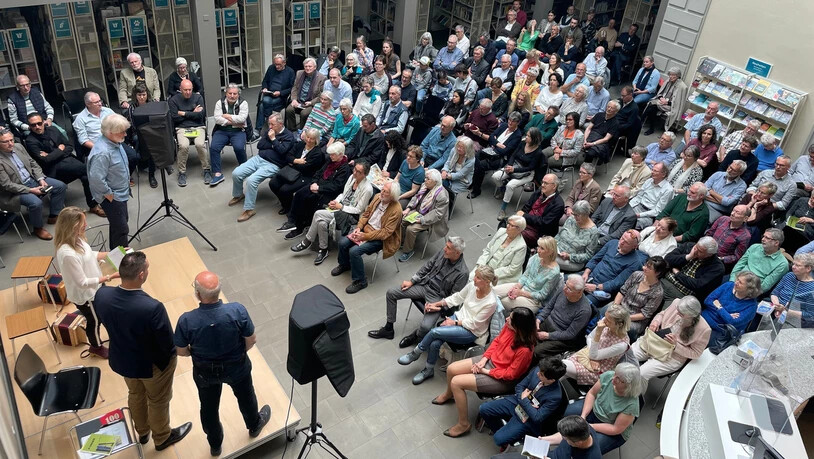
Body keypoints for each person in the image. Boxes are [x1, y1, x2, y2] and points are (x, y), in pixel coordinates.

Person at [94, 252, 192, 450]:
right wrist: (172, 358)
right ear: (141, 275)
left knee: (135, 394)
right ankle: (162, 437)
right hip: (152, 366)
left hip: (123, 359)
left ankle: (143, 431)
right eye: (147, 268)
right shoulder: (152, 307)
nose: (148, 271)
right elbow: (166, 342)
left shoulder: (102, 295)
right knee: (158, 400)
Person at [174, 271, 271, 456]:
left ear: (198, 294)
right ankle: (254, 425)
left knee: (209, 408)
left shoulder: (187, 320)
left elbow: (180, 350)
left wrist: (194, 354)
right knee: (246, 397)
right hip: (237, 367)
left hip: (204, 373)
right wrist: (239, 354)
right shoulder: (237, 310)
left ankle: (215, 444)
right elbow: (250, 339)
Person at [433, 306, 538, 438]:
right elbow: (496, 342)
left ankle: (463, 424)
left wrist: (485, 371)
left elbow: (511, 375)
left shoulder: (525, 350)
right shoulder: (509, 326)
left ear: (518, 327)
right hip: (490, 362)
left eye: (510, 319)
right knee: (452, 368)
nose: (506, 319)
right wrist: (484, 359)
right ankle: (449, 395)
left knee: (456, 382)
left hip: (501, 379)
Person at [397, 265, 498, 385]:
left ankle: (415, 353)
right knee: (435, 342)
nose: (474, 279)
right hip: (458, 319)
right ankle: (428, 370)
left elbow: (474, 324)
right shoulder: (472, 286)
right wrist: (437, 304)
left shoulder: (491, 302)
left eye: (478, 277)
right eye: (475, 275)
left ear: (487, 282)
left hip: (470, 331)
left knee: (435, 332)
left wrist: (453, 322)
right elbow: (457, 297)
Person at [368, 237, 468, 344]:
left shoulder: (462, 273)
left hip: (437, 298)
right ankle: (388, 329)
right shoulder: (443, 253)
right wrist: (412, 281)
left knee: (426, 327)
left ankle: (416, 335)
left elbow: (454, 298)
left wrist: (438, 307)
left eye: (448, 248)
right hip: (424, 285)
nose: (444, 249)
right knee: (391, 293)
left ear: (457, 253)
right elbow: (427, 266)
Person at [53, 207, 119, 358]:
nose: (86, 225)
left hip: (97, 287)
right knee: (95, 321)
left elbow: (91, 254)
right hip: (87, 296)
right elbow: (82, 283)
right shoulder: (67, 254)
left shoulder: (78, 239)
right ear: (72, 226)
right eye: (82, 223)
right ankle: (96, 347)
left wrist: (112, 254)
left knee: (102, 314)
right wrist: (110, 277)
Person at [543, 363, 642, 454]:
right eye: (615, 374)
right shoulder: (609, 376)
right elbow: (591, 394)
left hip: (611, 429)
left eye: (618, 378)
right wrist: (583, 415)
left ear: (628, 385)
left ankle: (560, 449)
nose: (613, 378)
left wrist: (590, 426)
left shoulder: (631, 404)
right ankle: (548, 441)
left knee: (584, 447)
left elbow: (615, 429)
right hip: (595, 410)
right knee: (566, 414)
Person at [291, 161, 373, 265]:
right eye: (355, 169)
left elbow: (359, 210)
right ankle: (323, 250)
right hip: (340, 208)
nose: (354, 172)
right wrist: (336, 201)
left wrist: (341, 206)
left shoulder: (367, 189)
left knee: (318, 214)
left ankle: (307, 241)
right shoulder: (352, 178)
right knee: (321, 223)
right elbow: (344, 194)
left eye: (358, 172)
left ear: (365, 174)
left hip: (351, 216)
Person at [24, 113, 104, 218]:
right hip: (53, 170)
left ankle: (93, 205)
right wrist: (60, 149)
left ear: (43, 122)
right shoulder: (30, 141)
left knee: (86, 176)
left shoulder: (53, 129)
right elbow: (46, 161)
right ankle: (100, 199)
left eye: (39, 123)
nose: (37, 127)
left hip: (67, 161)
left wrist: (53, 154)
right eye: (33, 125)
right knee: (87, 170)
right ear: (29, 126)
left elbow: (69, 146)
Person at [478, 358, 567, 450]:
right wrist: (525, 401)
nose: (537, 374)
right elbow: (520, 386)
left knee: (498, 439)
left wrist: (524, 400)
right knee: (484, 409)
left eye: (541, 375)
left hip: (527, 417)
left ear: (551, 380)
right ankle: (501, 430)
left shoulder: (555, 396)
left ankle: (506, 435)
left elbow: (537, 417)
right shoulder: (539, 370)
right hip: (517, 402)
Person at [332, 181, 402, 294]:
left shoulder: (396, 210)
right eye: (382, 189)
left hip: (381, 239)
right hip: (366, 230)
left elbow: (385, 233)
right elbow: (366, 213)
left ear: (392, 196)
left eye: (385, 192)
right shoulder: (377, 197)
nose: (381, 193)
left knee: (354, 251)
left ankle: (361, 281)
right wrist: (359, 227)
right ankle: (345, 265)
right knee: (343, 242)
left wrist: (364, 236)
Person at [229, 113, 296, 222]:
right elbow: (260, 145)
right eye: (269, 124)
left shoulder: (288, 136)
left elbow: (282, 152)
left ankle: (249, 210)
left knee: (251, 181)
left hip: (274, 164)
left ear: (280, 124)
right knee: (236, 173)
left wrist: (273, 139)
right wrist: (275, 145)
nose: (269, 127)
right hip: (259, 158)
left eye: (272, 124)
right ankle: (238, 195)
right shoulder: (269, 131)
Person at [632, 296, 710, 388]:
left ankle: (633, 397)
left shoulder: (704, 329)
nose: (677, 313)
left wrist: (676, 346)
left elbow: (696, 353)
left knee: (641, 374)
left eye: (681, 313)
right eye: (678, 309)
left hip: (673, 357)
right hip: (655, 342)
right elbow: (662, 314)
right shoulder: (677, 302)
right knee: (626, 353)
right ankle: (617, 382)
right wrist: (656, 322)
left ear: (691, 315)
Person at [276, 142, 350, 239]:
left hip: (327, 192)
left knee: (308, 200)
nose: (330, 156)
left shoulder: (345, 169)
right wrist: (314, 182)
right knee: (299, 194)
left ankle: (299, 227)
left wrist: (319, 188)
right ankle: (292, 221)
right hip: (317, 185)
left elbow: (336, 186)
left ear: (340, 155)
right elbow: (319, 172)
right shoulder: (330, 161)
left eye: (333, 154)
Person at [86, 115, 131, 248]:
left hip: (121, 193)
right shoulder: (102, 152)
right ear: (110, 132)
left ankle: (115, 254)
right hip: (113, 197)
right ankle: (122, 262)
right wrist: (109, 195)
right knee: (122, 229)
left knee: (118, 225)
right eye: (122, 131)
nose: (125, 134)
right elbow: (96, 179)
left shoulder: (115, 141)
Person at [564, 304, 630, 386]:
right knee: (558, 372)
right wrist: (593, 357)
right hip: (587, 355)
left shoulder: (622, 345)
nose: (604, 320)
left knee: (562, 366)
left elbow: (593, 353)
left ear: (619, 324)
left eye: (608, 320)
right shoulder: (606, 321)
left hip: (597, 370)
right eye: (605, 317)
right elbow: (589, 338)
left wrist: (598, 333)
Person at [267, 128, 326, 216]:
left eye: (312, 138)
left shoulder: (317, 153)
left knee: (284, 190)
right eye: (308, 137)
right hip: (291, 171)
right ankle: (286, 203)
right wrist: (296, 161)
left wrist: (292, 162)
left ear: (316, 140)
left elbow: (306, 168)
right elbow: (288, 156)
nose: (309, 140)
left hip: (305, 176)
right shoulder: (301, 144)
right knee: (273, 183)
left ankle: (289, 207)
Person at [494, 236, 561, 314]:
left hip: (533, 300)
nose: (538, 250)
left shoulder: (554, 272)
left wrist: (520, 293)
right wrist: (517, 286)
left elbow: (542, 295)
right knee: (493, 292)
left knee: (501, 301)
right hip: (522, 287)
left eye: (542, 248)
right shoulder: (537, 257)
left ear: (550, 251)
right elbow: (526, 275)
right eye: (538, 246)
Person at [533, 274, 593, 359]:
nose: (565, 288)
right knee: (526, 337)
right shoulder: (563, 289)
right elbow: (549, 307)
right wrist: (539, 319)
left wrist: (548, 335)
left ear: (579, 292)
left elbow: (570, 334)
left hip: (561, 335)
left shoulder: (584, 310)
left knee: (536, 351)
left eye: (569, 289)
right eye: (565, 284)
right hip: (548, 321)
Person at [582, 230, 645, 307]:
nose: (622, 242)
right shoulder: (612, 243)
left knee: (584, 304)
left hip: (603, 290)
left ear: (634, 247)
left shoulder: (635, 263)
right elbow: (595, 259)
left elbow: (616, 283)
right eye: (622, 238)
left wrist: (596, 287)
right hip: (590, 276)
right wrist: (586, 273)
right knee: (566, 284)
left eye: (626, 242)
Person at [493, 127, 544, 220]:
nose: (526, 137)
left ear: (534, 138)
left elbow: (530, 167)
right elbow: (513, 155)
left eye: (528, 136)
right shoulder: (523, 143)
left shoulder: (538, 152)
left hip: (526, 173)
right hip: (515, 166)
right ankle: (502, 189)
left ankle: (503, 209)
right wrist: (510, 165)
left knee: (510, 185)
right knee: (495, 176)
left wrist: (513, 170)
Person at [399, 169, 449, 262]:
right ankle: (401, 241)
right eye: (425, 177)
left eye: (428, 178)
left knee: (411, 229)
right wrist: (408, 208)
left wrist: (422, 220)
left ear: (435, 182)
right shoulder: (424, 186)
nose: (425, 180)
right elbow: (416, 197)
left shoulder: (442, 195)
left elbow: (438, 214)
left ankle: (408, 251)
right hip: (417, 211)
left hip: (430, 218)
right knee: (401, 219)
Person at [662, 237, 725, 306]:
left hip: (681, 295)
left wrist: (678, 274)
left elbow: (697, 285)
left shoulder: (717, 268)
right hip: (664, 281)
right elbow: (667, 259)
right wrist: (688, 257)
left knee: (664, 314)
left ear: (709, 254)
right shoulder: (689, 246)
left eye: (700, 251)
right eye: (696, 247)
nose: (695, 251)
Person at [169, 79, 209, 186]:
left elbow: (200, 116)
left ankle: (206, 170)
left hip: (198, 127)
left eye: (190, 90)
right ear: (180, 89)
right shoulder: (173, 100)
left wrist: (183, 113)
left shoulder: (198, 97)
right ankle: (182, 172)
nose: (188, 92)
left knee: (200, 144)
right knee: (183, 146)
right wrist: (192, 113)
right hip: (182, 129)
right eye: (185, 90)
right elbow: (175, 118)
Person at [209, 84, 250, 187]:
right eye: (230, 93)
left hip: (238, 131)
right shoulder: (219, 102)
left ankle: (244, 169)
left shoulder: (243, 103)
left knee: (239, 147)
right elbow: (217, 119)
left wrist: (227, 116)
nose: (232, 96)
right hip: (221, 131)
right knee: (213, 147)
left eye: (234, 93)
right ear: (225, 93)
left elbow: (242, 119)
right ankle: (217, 174)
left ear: (238, 94)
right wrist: (234, 121)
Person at [703, 271, 762, 344]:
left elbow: (733, 322)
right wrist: (727, 315)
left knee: (701, 343)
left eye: (740, 282)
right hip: (705, 319)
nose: (736, 283)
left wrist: (720, 307)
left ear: (749, 290)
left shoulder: (752, 306)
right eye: (737, 279)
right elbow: (707, 300)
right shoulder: (728, 285)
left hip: (722, 331)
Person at [471, 215, 528, 283]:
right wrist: (481, 265)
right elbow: (488, 249)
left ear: (519, 229)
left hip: (501, 274)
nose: (507, 226)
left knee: (482, 286)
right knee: (471, 278)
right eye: (508, 223)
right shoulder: (501, 231)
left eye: (511, 225)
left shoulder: (521, 246)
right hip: (486, 266)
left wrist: (489, 274)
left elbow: (512, 269)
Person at [730, 228, 789, 294]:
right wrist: (732, 281)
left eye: (767, 238)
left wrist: (745, 292)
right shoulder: (754, 247)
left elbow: (766, 285)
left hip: (752, 291)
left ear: (776, 243)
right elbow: (739, 265)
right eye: (763, 236)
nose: (763, 239)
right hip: (736, 280)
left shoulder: (782, 264)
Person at [516, 174, 565, 246]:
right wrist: (520, 218)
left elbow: (544, 223)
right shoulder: (538, 193)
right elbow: (526, 207)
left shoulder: (558, 204)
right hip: (525, 223)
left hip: (539, 232)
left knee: (515, 234)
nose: (542, 185)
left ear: (554, 186)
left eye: (546, 183)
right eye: (542, 182)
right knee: (506, 224)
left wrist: (525, 216)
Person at [771, 253, 814, 329]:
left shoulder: (812, 288)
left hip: (796, 322)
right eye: (793, 264)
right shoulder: (789, 275)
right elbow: (775, 293)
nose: (793, 267)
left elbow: (810, 315)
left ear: (808, 269)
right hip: (776, 312)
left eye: (798, 265)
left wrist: (786, 311)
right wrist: (777, 306)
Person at [556, 200, 600, 273]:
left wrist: (569, 256)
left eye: (578, 215)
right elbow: (559, 234)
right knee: (543, 250)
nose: (575, 217)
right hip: (557, 251)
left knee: (545, 257)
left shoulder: (593, 232)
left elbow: (588, 255)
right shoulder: (571, 219)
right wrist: (552, 243)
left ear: (586, 214)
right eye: (574, 214)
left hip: (572, 260)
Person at [255, 54, 296, 133]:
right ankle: (268, 124)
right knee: (265, 102)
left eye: (279, 64)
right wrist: (265, 88)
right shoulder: (271, 68)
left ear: (284, 63)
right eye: (275, 64)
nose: (277, 66)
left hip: (281, 97)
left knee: (262, 104)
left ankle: (260, 127)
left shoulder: (290, 72)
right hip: (269, 93)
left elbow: (292, 88)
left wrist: (280, 93)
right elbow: (265, 81)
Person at [642, 67, 689, 136]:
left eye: (673, 75)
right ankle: (643, 124)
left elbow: (679, 103)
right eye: (670, 74)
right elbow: (660, 92)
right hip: (662, 102)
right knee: (650, 105)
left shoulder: (683, 87)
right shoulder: (668, 81)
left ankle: (647, 126)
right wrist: (661, 98)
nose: (671, 76)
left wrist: (667, 102)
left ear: (678, 75)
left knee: (652, 106)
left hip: (671, 106)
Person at [285, 58, 328, 131]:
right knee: (289, 110)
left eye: (310, 66)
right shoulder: (299, 73)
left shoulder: (322, 78)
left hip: (310, 102)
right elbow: (295, 87)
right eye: (306, 66)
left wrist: (311, 103)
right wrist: (294, 99)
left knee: (304, 113)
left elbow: (321, 95)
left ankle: (302, 131)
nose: (307, 68)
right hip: (298, 100)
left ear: (315, 67)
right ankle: (292, 130)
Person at [706, 205, 751, 271]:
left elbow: (737, 257)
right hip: (706, 251)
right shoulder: (722, 219)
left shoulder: (745, 236)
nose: (732, 214)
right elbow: (709, 233)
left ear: (745, 218)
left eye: (737, 213)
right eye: (733, 210)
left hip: (719, 261)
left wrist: (721, 259)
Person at [629, 162, 674, 228]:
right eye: (652, 169)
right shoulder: (649, 181)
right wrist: (628, 206)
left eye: (655, 171)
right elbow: (638, 197)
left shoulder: (668, 190)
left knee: (630, 222)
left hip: (649, 215)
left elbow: (657, 211)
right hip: (637, 206)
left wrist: (639, 215)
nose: (652, 172)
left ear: (663, 174)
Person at [73, 91, 116, 158]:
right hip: (97, 146)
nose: (100, 104)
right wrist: (99, 148)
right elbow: (84, 141)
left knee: (132, 156)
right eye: (96, 102)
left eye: (100, 101)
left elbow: (119, 124)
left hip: (114, 142)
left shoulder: (108, 111)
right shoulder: (80, 119)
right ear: (88, 104)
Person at [441, 136, 475, 212]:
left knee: (443, 187)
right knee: (437, 182)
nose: (459, 149)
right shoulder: (454, 150)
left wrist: (447, 176)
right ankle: (441, 203)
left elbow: (461, 174)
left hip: (462, 181)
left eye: (462, 147)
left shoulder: (471, 160)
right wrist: (444, 171)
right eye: (458, 146)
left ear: (468, 149)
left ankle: (446, 207)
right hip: (450, 173)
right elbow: (448, 163)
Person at [582, 100, 620, 165]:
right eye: (608, 107)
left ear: (616, 111)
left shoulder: (615, 123)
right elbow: (588, 128)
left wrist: (592, 144)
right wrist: (585, 140)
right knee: (574, 143)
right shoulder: (599, 115)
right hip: (590, 136)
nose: (609, 109)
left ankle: (586, 169)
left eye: (612, 108)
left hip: (601, 142)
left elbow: (606, 139)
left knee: (590, 153)